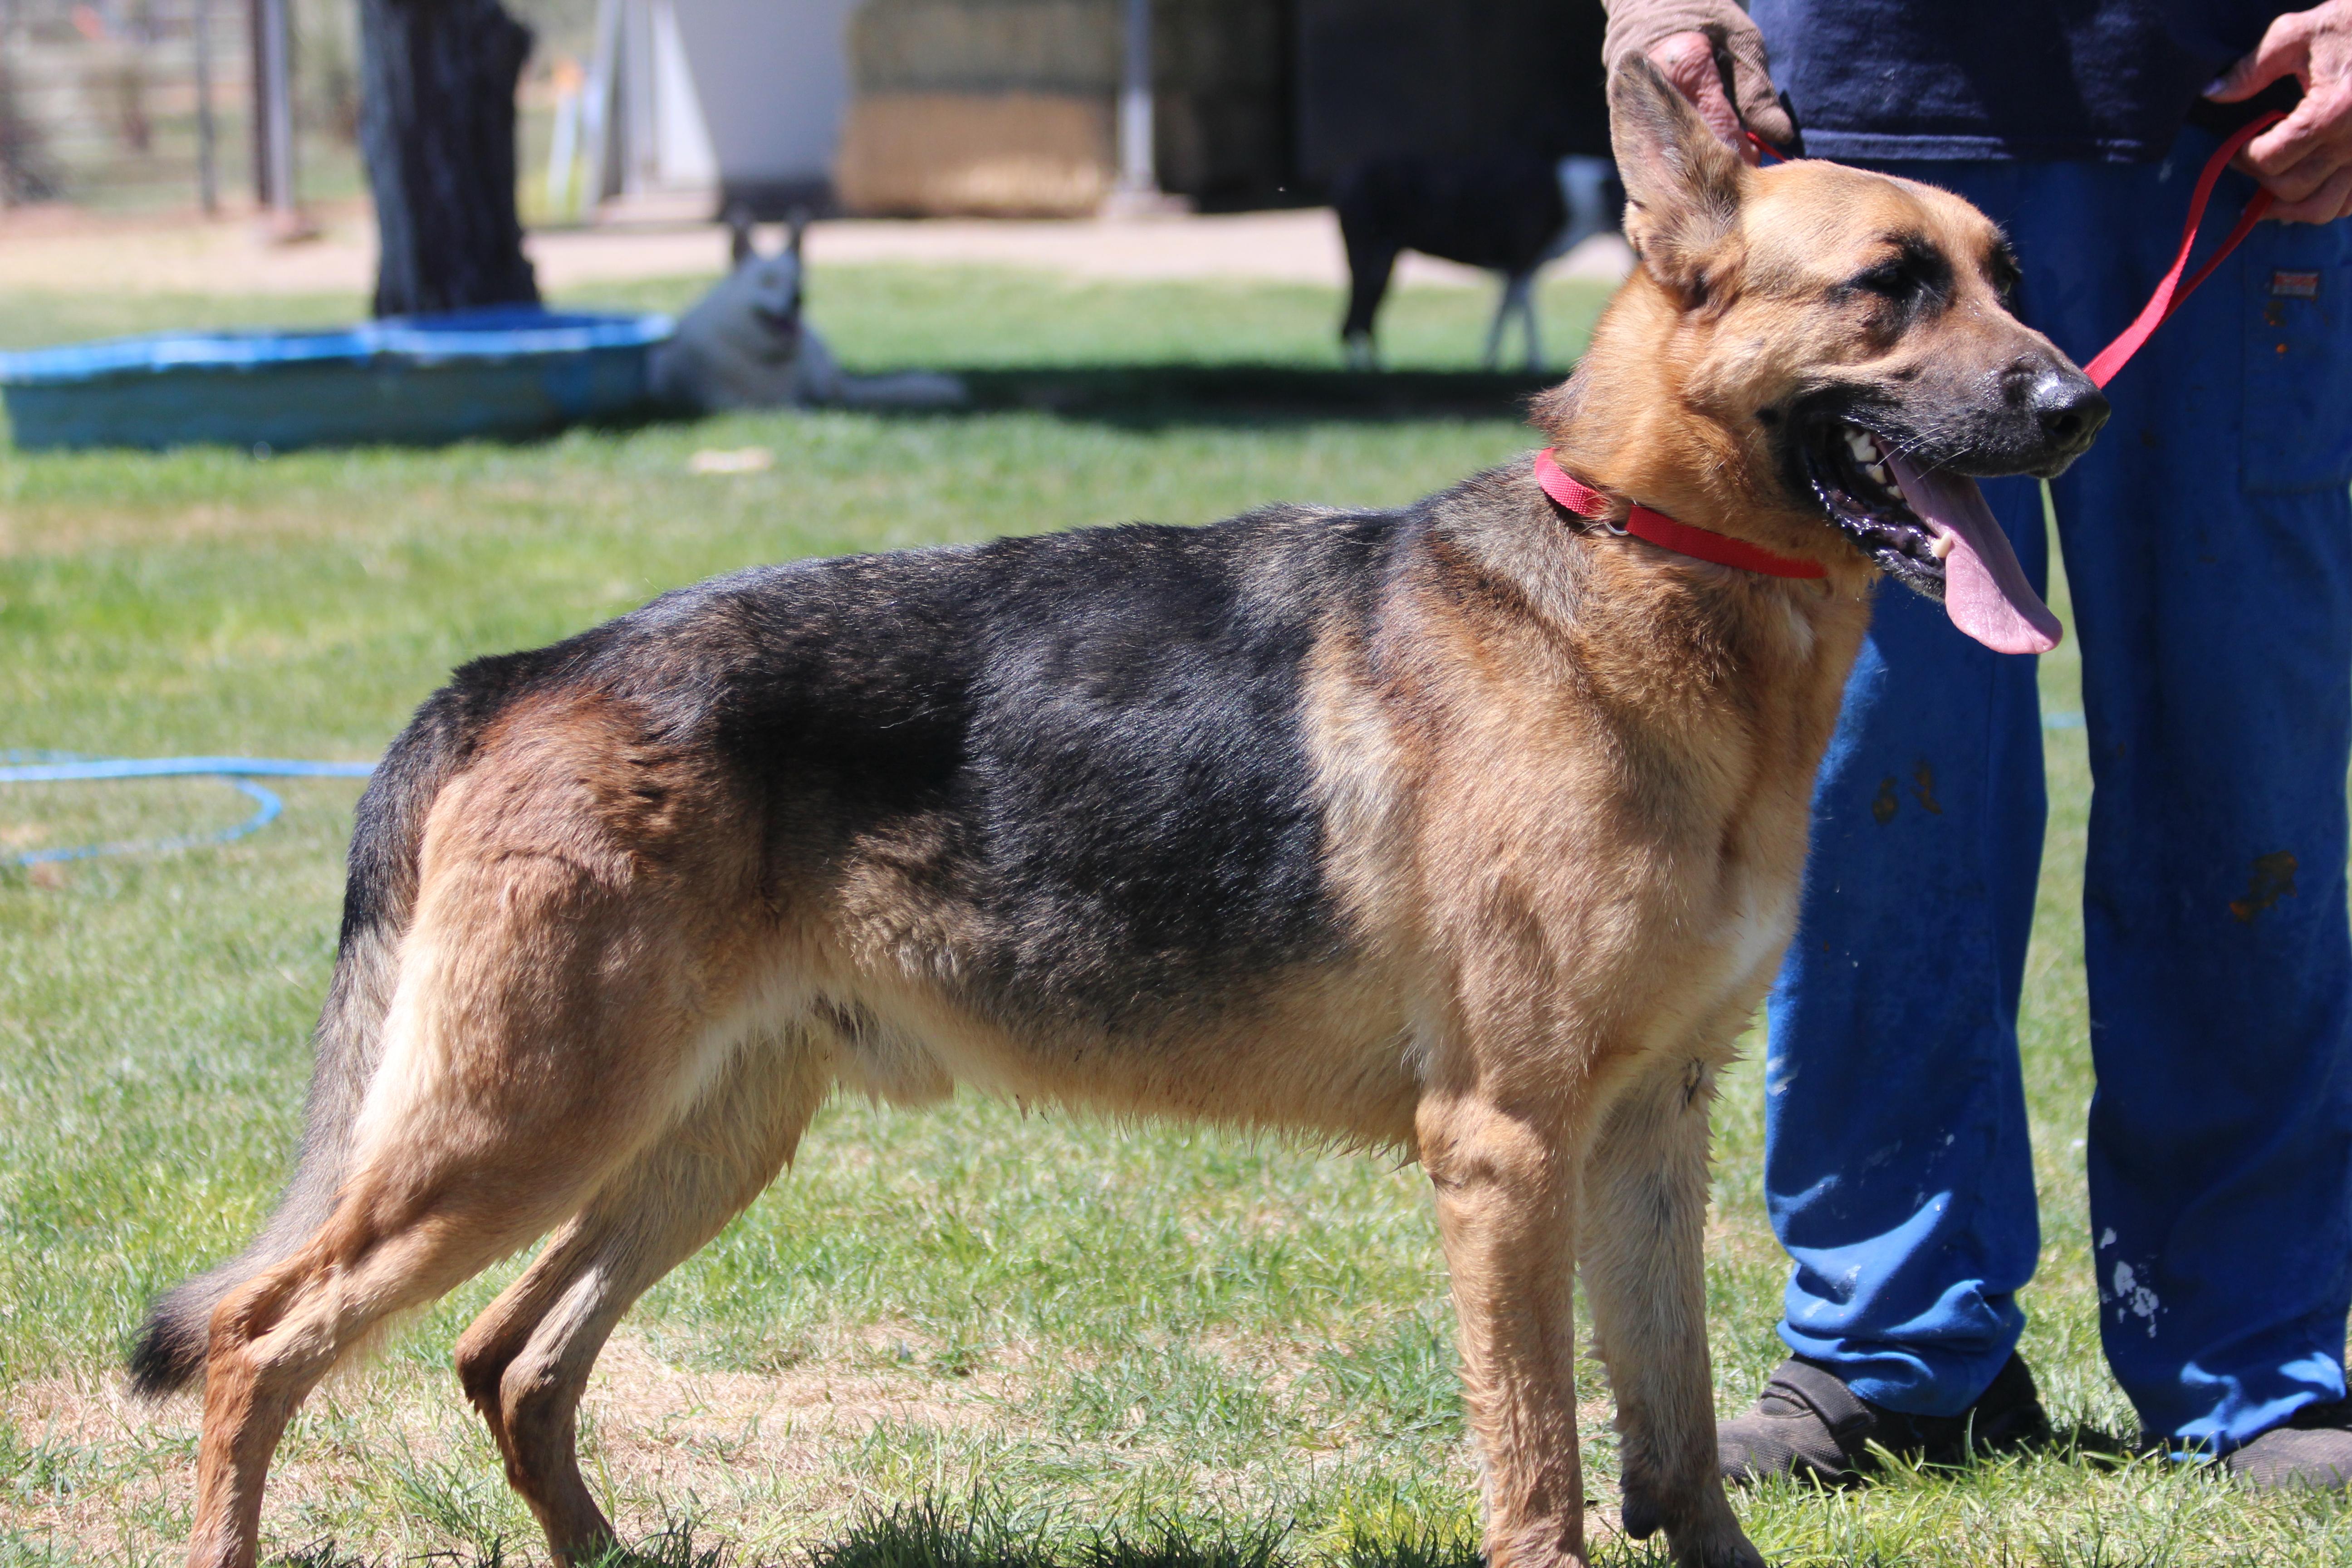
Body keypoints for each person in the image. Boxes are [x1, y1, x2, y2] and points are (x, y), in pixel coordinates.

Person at [1596, 0, 2352, 1485]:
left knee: (2246, 774)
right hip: (1847, 111)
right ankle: (1890, 1341)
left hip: (2234, 118)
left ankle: (2258, 1360)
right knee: (1874, 798)